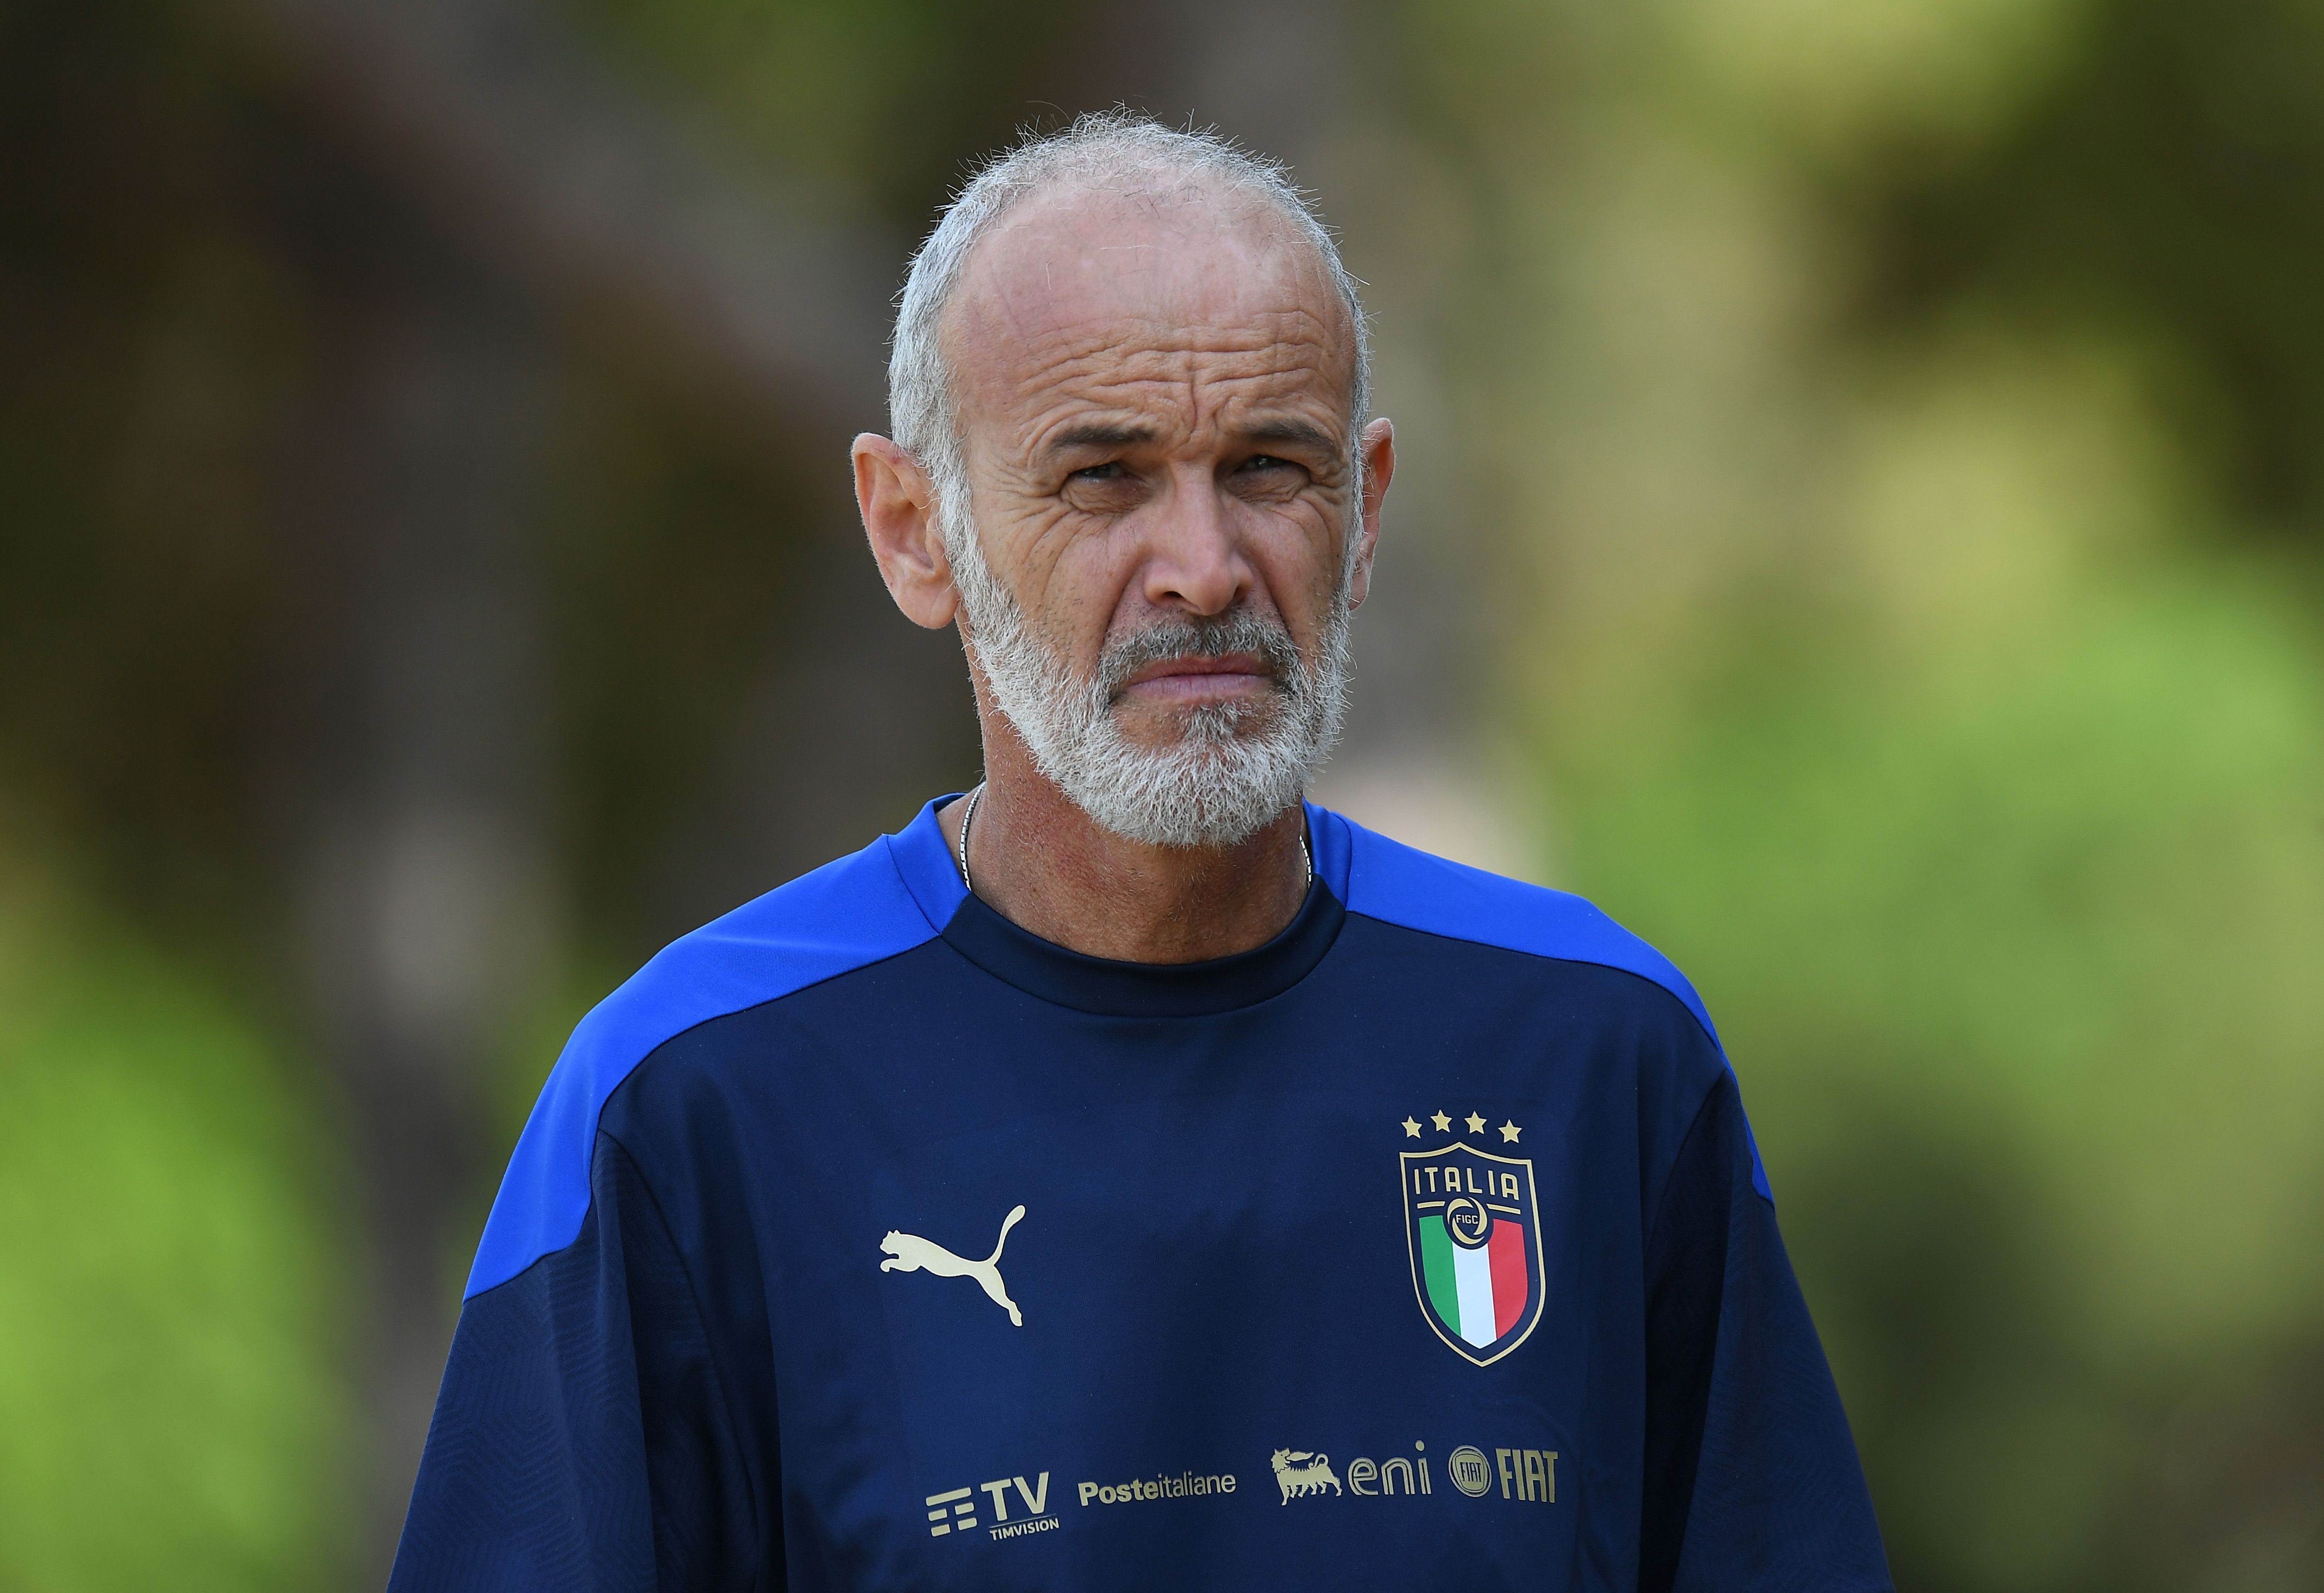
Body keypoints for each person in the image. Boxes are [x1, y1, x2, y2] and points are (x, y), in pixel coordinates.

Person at [389, 110, 1891, 1592]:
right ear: (915, 531)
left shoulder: (1598, 1055)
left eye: (1270, 468)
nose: (1204, 568)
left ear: (1365, 513)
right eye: (1103, 477)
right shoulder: (681, 1103)